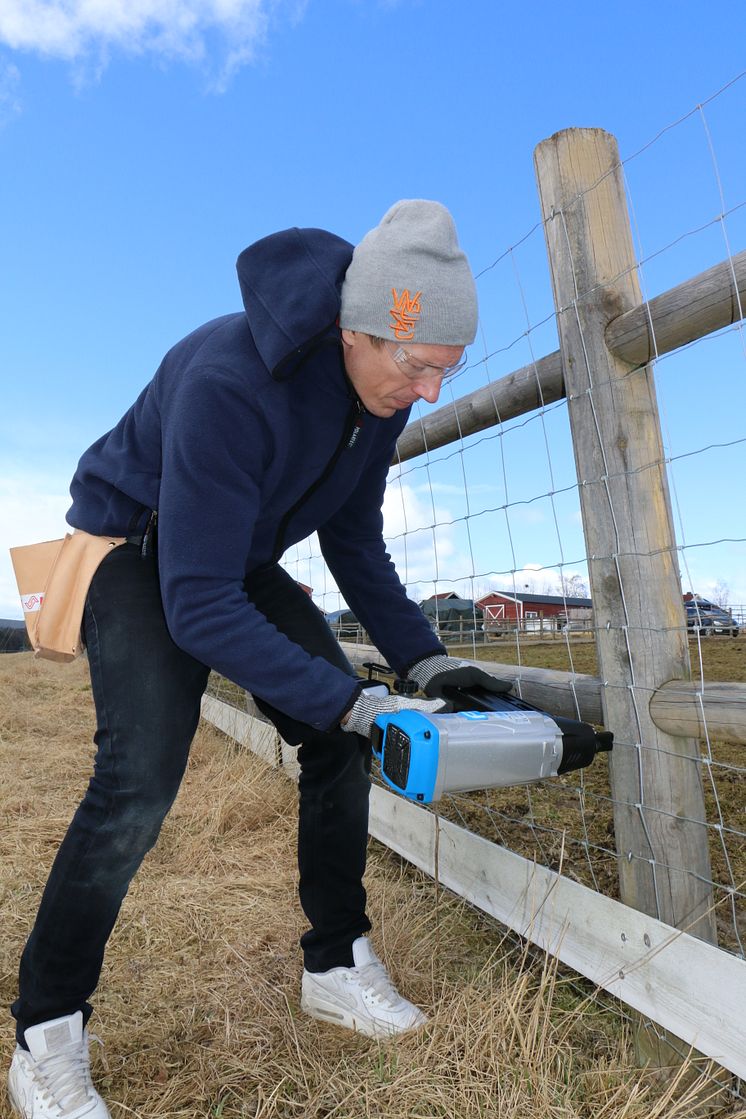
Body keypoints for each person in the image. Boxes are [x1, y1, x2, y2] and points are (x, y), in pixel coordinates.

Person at [7, 200, 506, 1119]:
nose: (432, 389)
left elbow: (355, 541)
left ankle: (334, 963)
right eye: (421, 364)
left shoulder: (379, 399)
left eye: (449, 370)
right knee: (137, 781)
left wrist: (427, 665)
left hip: (227, 553)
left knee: (338, 738)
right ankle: (44, 1034)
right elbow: (194, 603)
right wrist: (352, 699)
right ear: (361, 331)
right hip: (139, 547)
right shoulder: (231, 382)